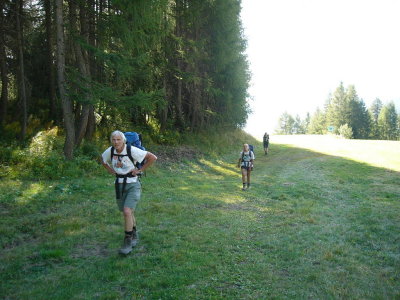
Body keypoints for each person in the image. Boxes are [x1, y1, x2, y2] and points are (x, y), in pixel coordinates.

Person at [101, 130, 157, 255]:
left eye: (118, 140)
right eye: (114, 140)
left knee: (127, 211)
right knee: (128, 212)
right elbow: (103, 160)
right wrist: (111, 170)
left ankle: (127, 241)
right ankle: (134, 233)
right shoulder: (110, 151)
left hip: (133, 184)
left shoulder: (132, 150)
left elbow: (152, 157)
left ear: (123, 140)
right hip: (119, 185)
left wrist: (140, 170)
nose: (116, 142)